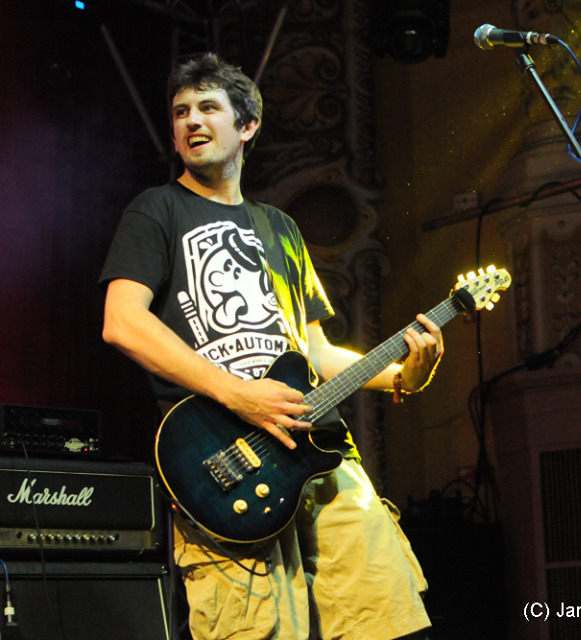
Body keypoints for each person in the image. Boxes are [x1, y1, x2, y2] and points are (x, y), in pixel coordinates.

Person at [99, 52, 442, 640]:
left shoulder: (280, 227)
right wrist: (238, 395)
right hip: (226, 465)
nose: (191, 120)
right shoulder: (156, 209)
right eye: (180, 112)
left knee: (386, 620)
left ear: (247, 125)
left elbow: (316, 353)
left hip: (321, 454)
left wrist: (404, 374)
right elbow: (122, 323)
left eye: (208, 107)